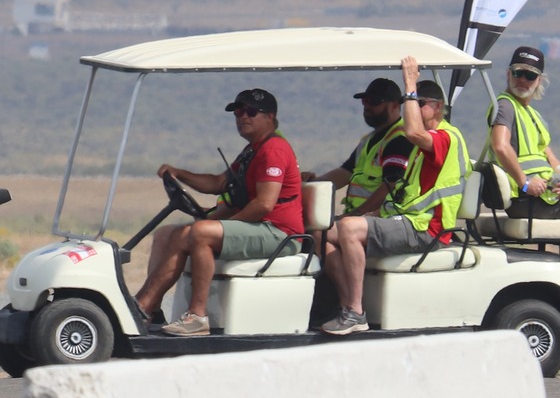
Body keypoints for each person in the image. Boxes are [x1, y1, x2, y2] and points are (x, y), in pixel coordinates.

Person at [130, 87, 304, 337]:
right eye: (238, 112)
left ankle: (197, 317)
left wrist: (223, 225)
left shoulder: (273, 149)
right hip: (260, 228)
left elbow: (264, 204)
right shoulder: (252, 150)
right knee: (170, 234)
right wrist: (179, 174)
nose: (243, 117)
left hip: (280, 234)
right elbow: (218, 183)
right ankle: (148, 307)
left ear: (270, 117)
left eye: (251, 112)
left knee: (201, 232)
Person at [321, 57, 470, 336]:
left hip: (426, 228)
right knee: (323, 233)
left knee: (350, 227)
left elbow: (411, 133)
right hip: (406, 220)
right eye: (410, 102)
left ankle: (355, 312)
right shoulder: (418, 144)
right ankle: (345, 305)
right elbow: (403, 192)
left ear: (438, 107)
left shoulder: (444, 138)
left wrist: (410, 83)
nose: (412, 107)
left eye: (419, 103)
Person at [309, 77, 409, 218]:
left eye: (374, 102)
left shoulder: (400, 140)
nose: (367, 107)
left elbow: (390, 186)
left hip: (378, 219)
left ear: (394, 106)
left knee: (324, 230)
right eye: (365, 101)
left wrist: (357, 214)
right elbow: (345, 173)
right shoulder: (368, 140)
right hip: (356, 218)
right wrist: (310, 184)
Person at [487, 45, 560, 219]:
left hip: (544, 196)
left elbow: (548, 155)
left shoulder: (532, 115)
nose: (522, 80)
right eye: (518, 72)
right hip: (525, 198)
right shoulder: (505, 106)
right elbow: (500, 146)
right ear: (508, 74)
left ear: (539, 80)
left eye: (530, 75)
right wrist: (525, 182)